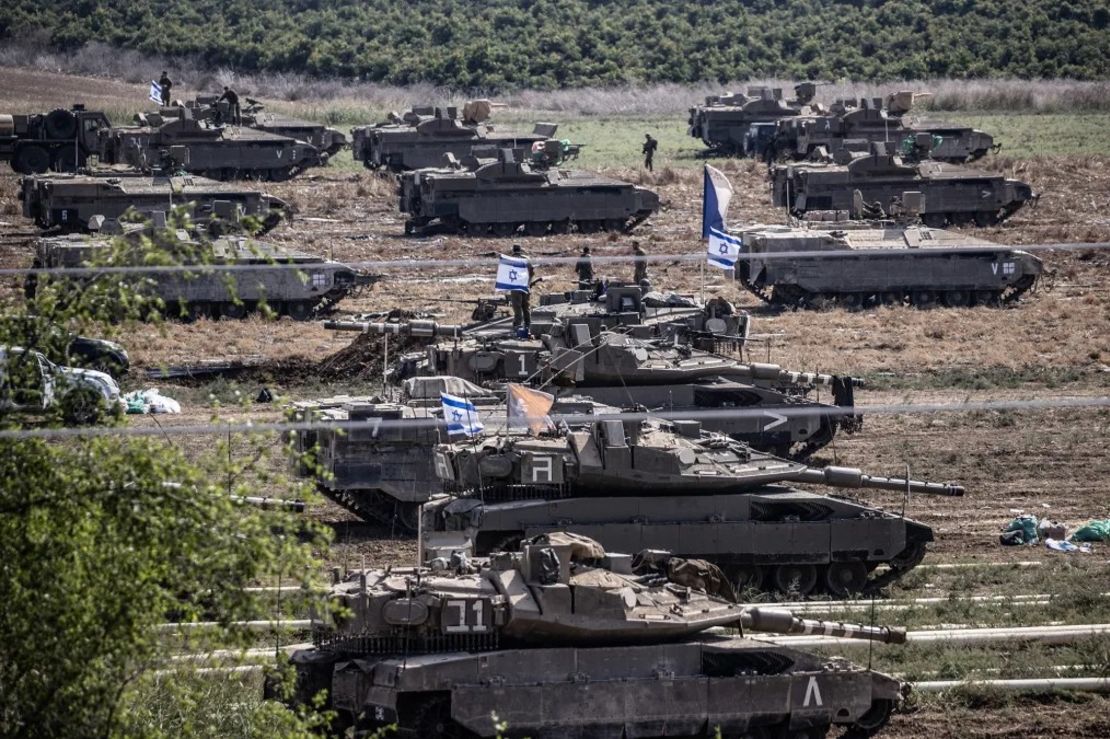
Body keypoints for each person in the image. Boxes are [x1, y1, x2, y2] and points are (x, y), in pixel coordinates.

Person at [509, 244, 534, 335]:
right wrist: (528, 283)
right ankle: (528, 324)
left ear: (513, 250)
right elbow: (532, 272)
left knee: (517, 306)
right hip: (525, 285)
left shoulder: (510, 259)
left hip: (515, 286)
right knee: (526, 307)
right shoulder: (527, 259)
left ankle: (518, 325)